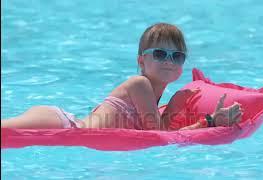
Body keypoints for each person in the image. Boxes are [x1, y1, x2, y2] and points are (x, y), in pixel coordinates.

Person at [1, 23, 242, 130]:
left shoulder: (156, 101)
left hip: (65, 121)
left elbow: (164, 134)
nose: (169, 61)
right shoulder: (140, 84)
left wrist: (175, 106)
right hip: (62, 123)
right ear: (141, 61)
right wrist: (209, 122)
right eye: (160, 54)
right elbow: (159, 137)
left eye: (177, 56)